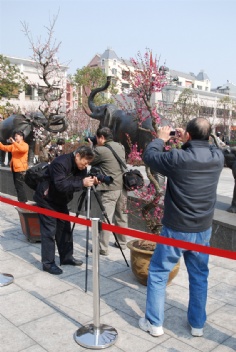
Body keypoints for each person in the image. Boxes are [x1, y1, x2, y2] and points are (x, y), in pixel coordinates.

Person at [139, 118, 224, 337]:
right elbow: (211, 144)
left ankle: (154, 323)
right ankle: (197, 325)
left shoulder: (178, 157)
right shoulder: (217, 157)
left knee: (158, 273)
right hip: (203, 229)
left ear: (187, 135)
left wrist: (160, 138)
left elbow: (149, 156)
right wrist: (196, 138)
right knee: (199, 276)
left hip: (176, 228)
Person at [33, 145, 98, 275]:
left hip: (61, 200)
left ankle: (67, 257)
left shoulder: (81, 167)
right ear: (78, 155)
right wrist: (81, 183)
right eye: (85, 162)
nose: (85, 166)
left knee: (65, 229)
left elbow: (79, 184)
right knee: (49, 231)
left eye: (88, 164)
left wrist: (90, 182)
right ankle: (48, 263)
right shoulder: (60, 163)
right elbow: (60, 185)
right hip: (47, 199)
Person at [89, 127, 128, 256]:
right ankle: (122, 243)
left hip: (110, 188)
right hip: (122, 187)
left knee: (106, 219)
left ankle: (102, 247)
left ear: (101, 138)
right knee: (121, 216)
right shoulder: (120, 146)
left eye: (97, 138)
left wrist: (91, 146)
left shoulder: (100, 150)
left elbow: (90, 159)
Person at [0, 130, 29, 202]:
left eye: (17, 136)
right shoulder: (14, 145)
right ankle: (22, 201)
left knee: (19, 186)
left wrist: (14, 142)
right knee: (17, 186)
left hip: (20, 169)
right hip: (14, 168)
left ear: (22, 137)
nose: (15, 137)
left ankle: (23, 202)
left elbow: (22, 150)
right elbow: (4, 148)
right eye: (15, 136)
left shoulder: (25, 145)